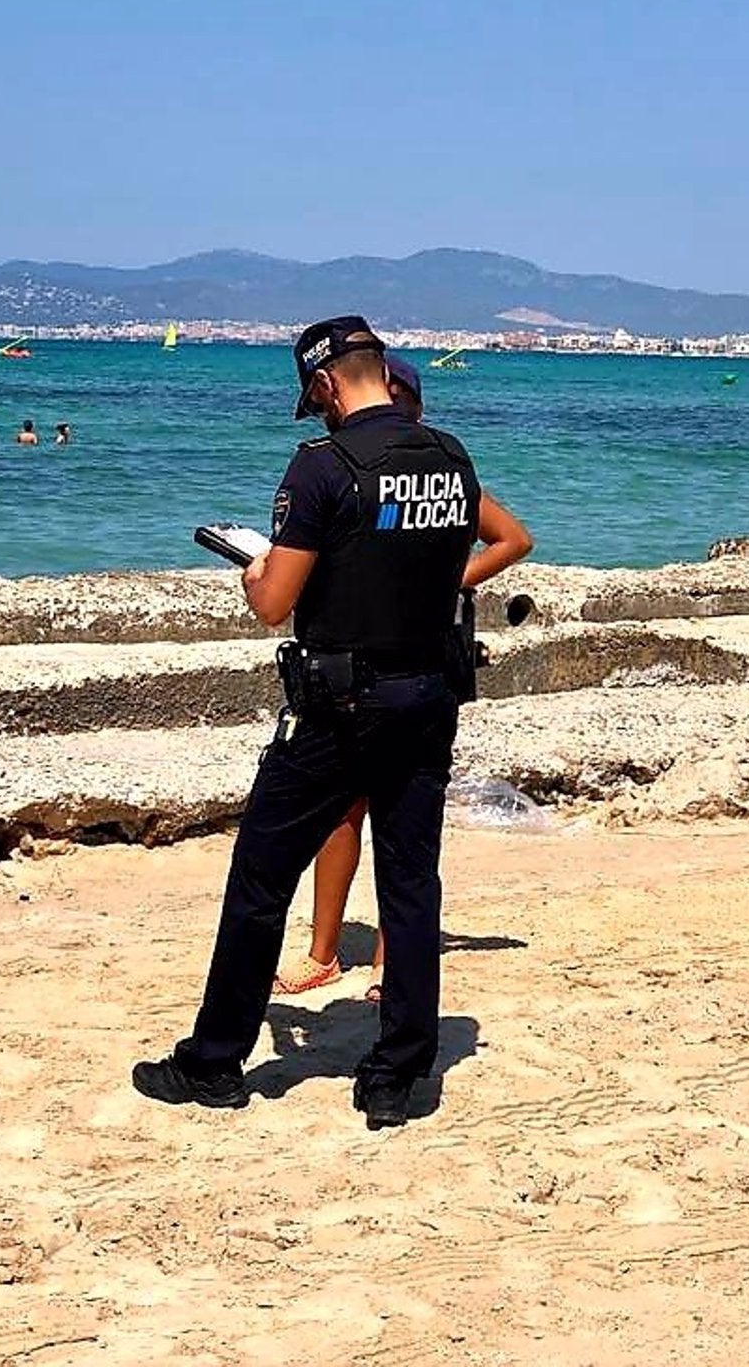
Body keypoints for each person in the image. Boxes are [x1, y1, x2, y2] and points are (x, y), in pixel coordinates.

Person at [134, 316, 483, 1131]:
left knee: (260, 877)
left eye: (314, 397)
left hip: (339, 706)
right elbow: (433, 564)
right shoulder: (452, 459)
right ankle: (398, 1074)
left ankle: (214, 1061)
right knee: (409, 883)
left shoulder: (321, 470)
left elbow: (273, 604)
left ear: (327, 384)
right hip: (427, 695)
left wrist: (258, 567)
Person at [275, 353, 534, 997]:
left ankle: (391, 962)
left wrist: (442, 582)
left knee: (403, 821)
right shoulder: (356, 469)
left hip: (414, 660)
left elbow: (512, 538)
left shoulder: (434, 470)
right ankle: (323, 948)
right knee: (346, 811)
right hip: (361, 665)